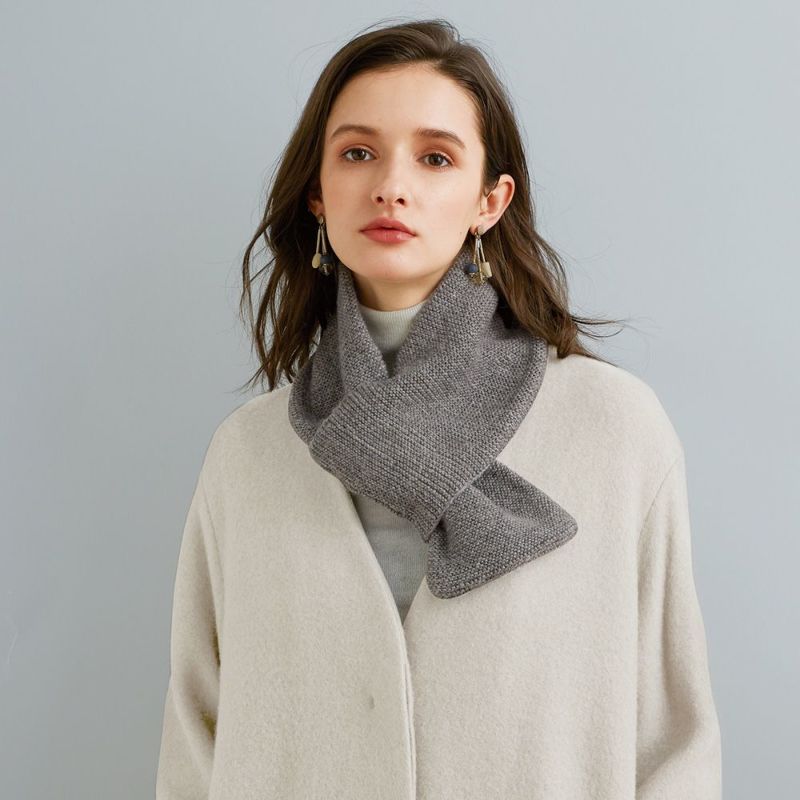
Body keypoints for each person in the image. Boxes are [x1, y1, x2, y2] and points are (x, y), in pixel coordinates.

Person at [155, 18, 722, 800]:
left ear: (490, 200)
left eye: (435, 158)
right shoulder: (250, 452)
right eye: (358, 153)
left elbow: (674, 739)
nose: (392, 185)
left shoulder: (613, 430)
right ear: (318, 193)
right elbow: (196, 738)